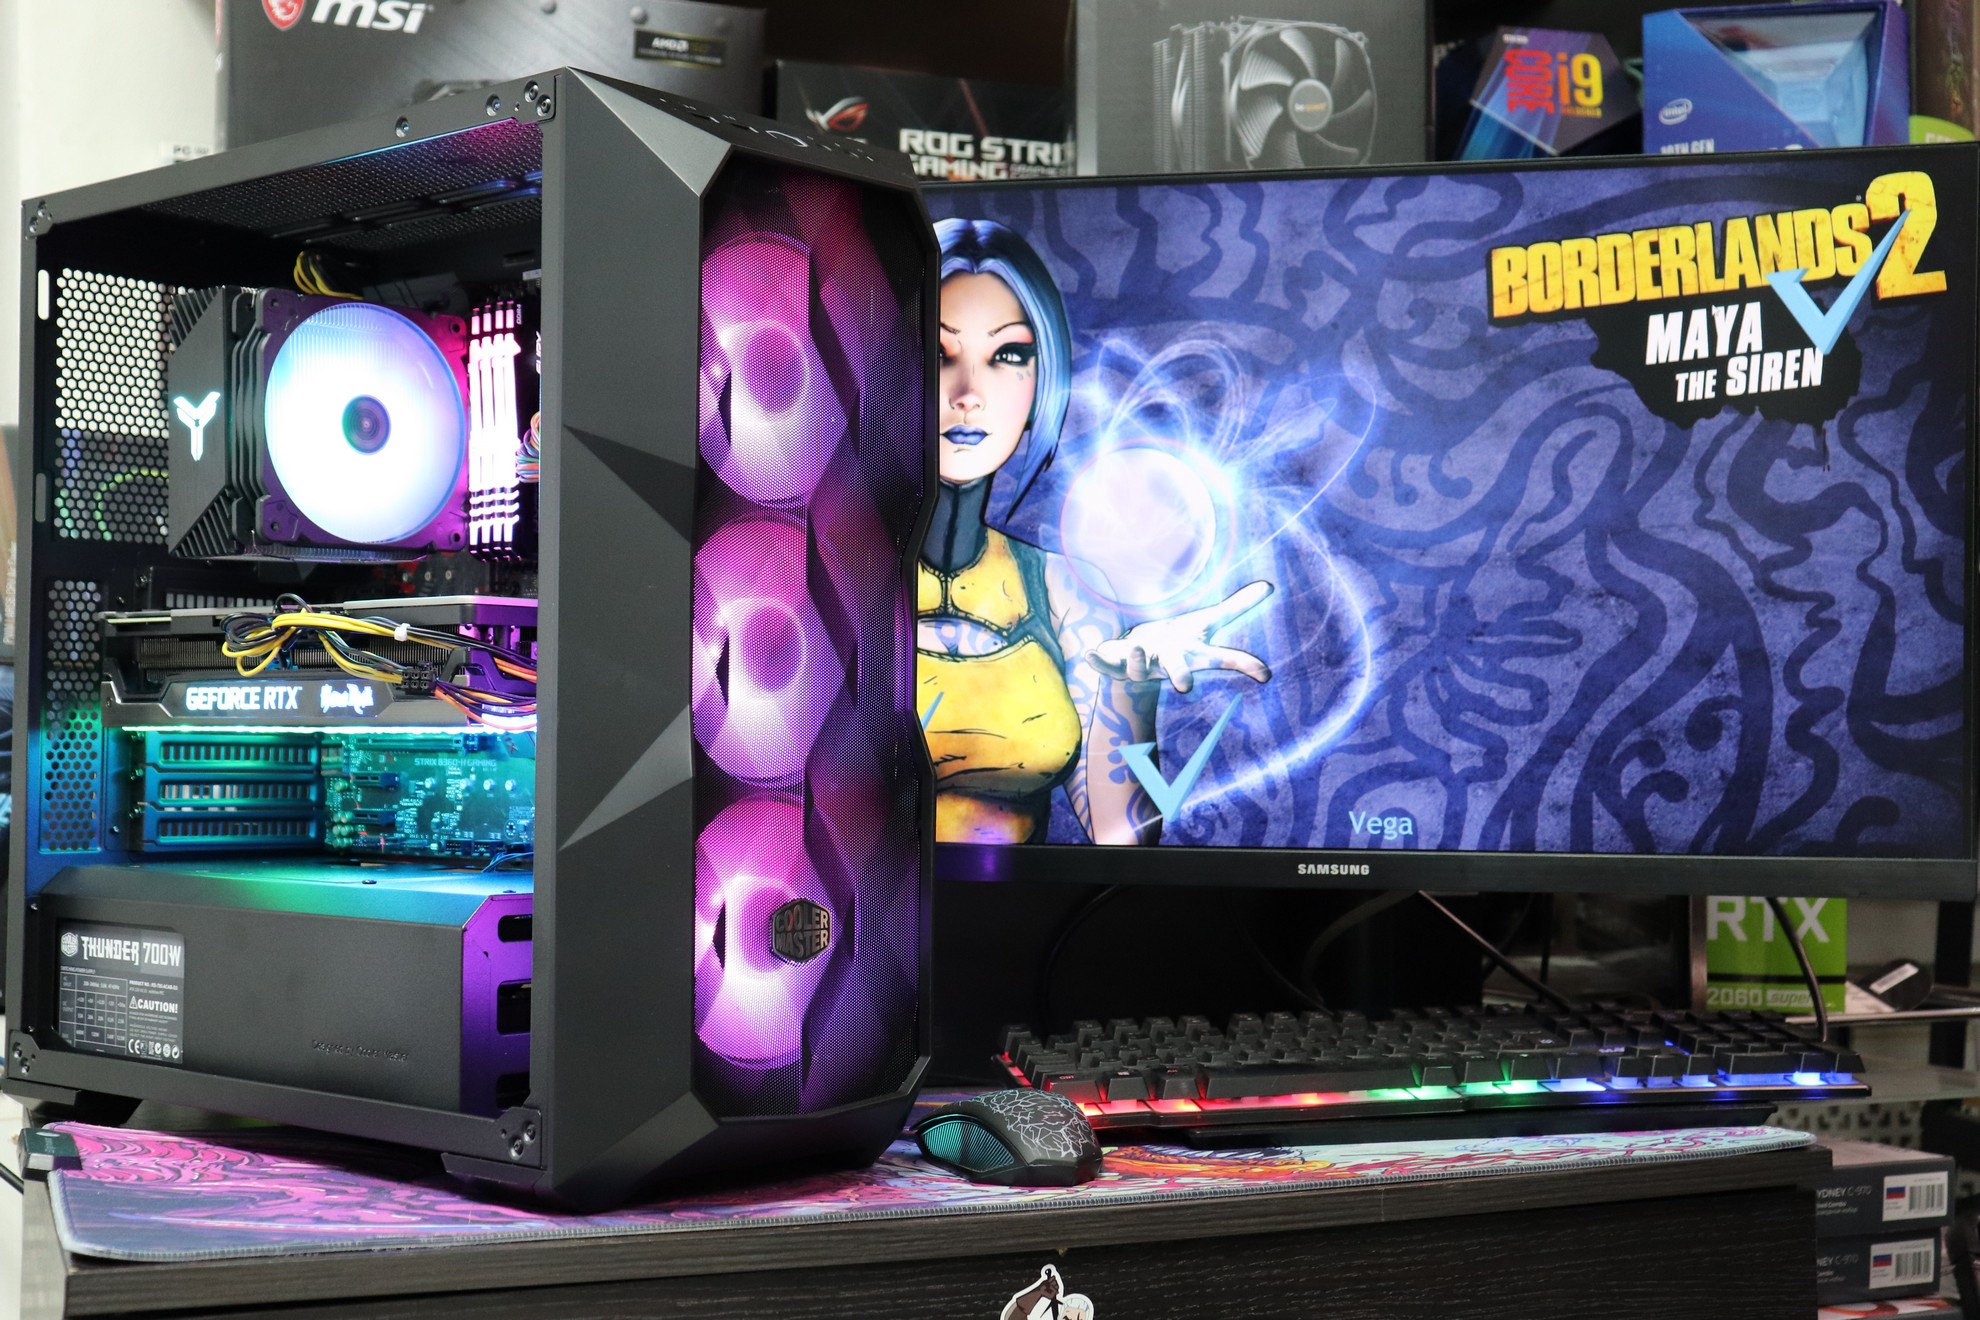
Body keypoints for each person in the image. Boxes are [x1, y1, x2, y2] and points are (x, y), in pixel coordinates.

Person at [919, 218, 1272, 847]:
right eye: (937, 352)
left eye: (1008, 355)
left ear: (1041, 379)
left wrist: (1132, 690)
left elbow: (1120, 839)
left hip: (1017, 905)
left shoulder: (1063, 591)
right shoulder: (816, 572)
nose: (968, 393)